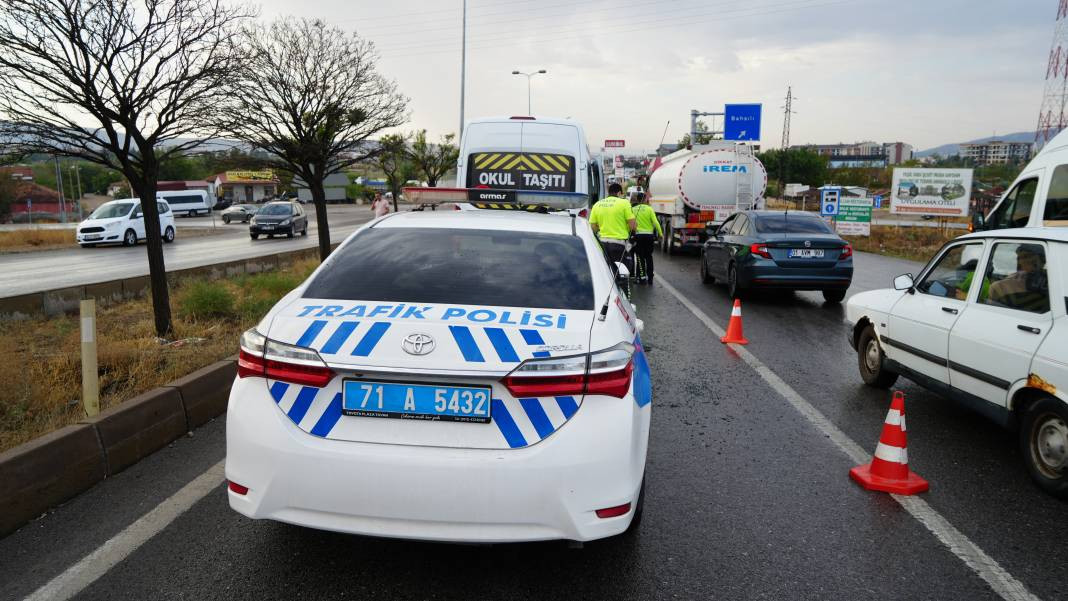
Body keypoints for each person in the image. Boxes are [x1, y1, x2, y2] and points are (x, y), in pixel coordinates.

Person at [589, 183, 636, 269]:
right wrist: (633, 235)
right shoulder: (624, 203)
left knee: (605, 270)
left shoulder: (597, 204)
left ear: (609, 192)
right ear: (619, 193)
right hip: (618, 245)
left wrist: (600, 231)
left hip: (602, 244)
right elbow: (632, 224)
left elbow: (593, 226)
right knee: (621, 271)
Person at [988, 244, 1047, 310]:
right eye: (1018, 258)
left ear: (1042, 260)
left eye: (1026, 257)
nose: (1020, 262)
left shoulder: (1053, 279)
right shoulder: (1001, 286)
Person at [630, 191, 662, 283]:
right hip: (649, 236)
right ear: (644, 199)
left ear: (638, 199)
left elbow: (630, 223)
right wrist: (660, 234)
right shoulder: (649, 209)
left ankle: (642, 278)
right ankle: (650, 278)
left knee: (640, 257)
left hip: (638, 236)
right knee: (649, 257)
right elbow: (655, 222)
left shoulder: (633, 209)